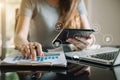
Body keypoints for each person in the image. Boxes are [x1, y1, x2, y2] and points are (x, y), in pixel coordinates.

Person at [14, 0, 95, 80]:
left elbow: (89, 36)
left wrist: (89, 43)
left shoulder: (77, 1)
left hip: (70, 60)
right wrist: (25, 45)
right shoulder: (30, 1)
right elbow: (19, 36)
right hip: (41, 58)